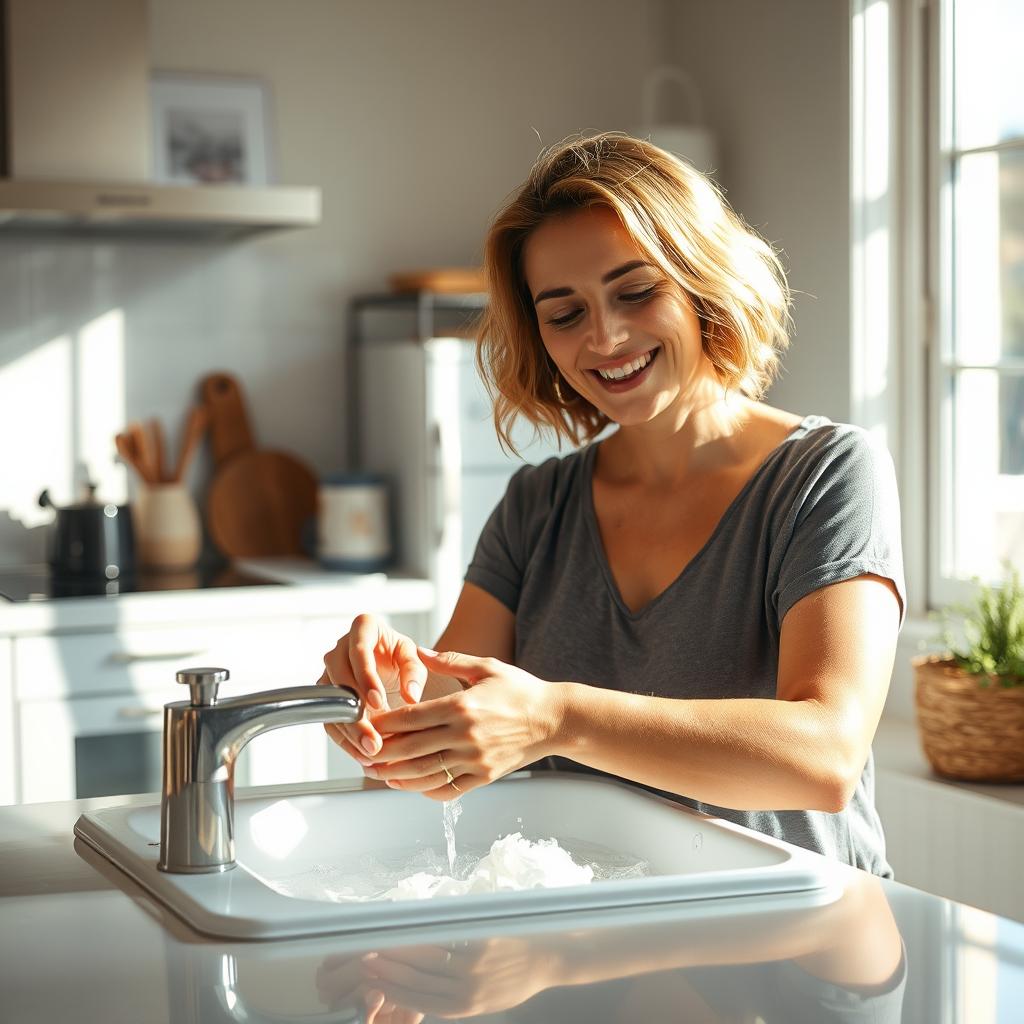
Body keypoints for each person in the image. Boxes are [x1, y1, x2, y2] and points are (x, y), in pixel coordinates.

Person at [319, 132, 906, 877]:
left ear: (700, 283)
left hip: (799, 947)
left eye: (637, 291)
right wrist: (376, 699)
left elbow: (824, 756)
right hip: (593, 949)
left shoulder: (826, 475)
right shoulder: (538, 506)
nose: (606, 337)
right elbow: (425, 755)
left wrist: (558, 719)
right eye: (564, 314)